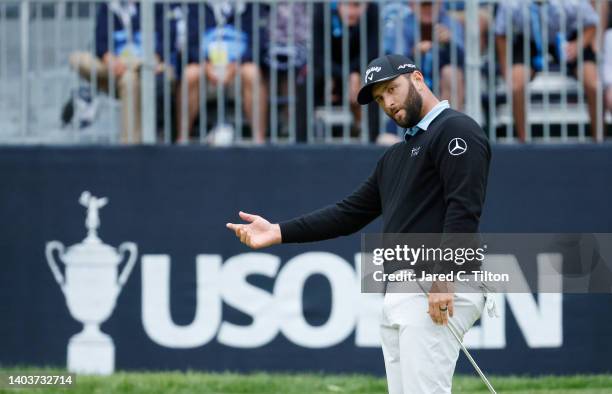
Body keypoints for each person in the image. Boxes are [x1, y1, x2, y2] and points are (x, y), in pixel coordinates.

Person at [226, 54, 492, 394]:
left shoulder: (455, 129)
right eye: (380, 98)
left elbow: (463, 209)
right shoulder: (395, 156)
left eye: (392, 89)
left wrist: (443, 278)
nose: (389, 103)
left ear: (418, 79)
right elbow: (348, 213)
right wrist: (278, 231)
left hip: (436, 281)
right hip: (403, 289)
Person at [69, 0, 175, 143]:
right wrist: (110, 60)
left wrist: (154, 60)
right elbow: (100, 43)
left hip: (147, 69)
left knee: (129, 79)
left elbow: (167, 40)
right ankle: (137, 66)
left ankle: (129, 144)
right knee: (77, 59)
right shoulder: (109, 7)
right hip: (117, 67)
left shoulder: (155, 6)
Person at [495, 0, 601, 142]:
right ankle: (523, 141)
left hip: (568, 39)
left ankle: (598, 139)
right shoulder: (511, 4)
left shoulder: (573, 3)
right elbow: (500, 33)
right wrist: (505, 70)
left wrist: (577, 45)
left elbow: (592, 23)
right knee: (516, 85)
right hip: (529, 40)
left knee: (594, 84)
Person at [178, 2, 268, 144]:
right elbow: (190, 43)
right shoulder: (196, 7)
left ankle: (259, 140)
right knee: (190, 73)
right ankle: (182, 138)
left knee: (252, 72)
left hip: (240, 65)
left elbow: (259, 42)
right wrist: (206, 64)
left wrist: (236, 64)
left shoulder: (251, 7)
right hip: (206, 65)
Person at [312, 1, 379, 141]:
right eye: (347, 5)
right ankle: (302, 140)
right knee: (308, 80)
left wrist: (356, 74)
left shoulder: (373, 11)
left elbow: (372, 53)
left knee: (373, 81)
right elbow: (318, 55)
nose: (352, 11)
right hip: (329, 72)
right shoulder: (321, 11)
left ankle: (371, 136)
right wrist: (346, 75)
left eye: (357, 5)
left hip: (361, 70)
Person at [383, 0, 465, 110]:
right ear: (412, 5)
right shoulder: (401, 25)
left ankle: (448, 122)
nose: (428, 9)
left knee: (451, 73)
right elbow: (394, 64)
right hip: (412, 80)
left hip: (441, 82)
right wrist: (414, 54)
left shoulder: (450, 23)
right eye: (423, 5)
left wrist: (449, 43)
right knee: (403, 79)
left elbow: (463, 61)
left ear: (440, 4)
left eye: (431, 5)